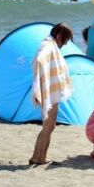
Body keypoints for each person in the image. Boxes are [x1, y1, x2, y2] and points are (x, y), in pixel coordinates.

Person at [29, 23, 74, 166]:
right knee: (48, 127)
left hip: (51, 92)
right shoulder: (48, 46)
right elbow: (40, 58)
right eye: (65, 41)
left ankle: (37, 157)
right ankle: (39, 158)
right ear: (59, 36)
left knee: (48, 127)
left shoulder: (50, 45)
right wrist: (41, 69)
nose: (64, 45)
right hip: (49, 92)